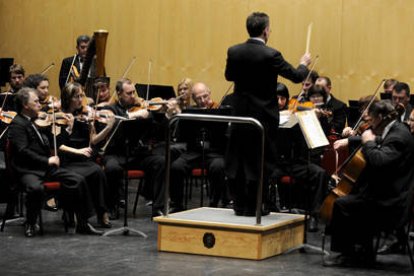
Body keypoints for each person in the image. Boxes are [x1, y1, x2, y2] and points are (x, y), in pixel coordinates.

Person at [224, 12, 311, 216]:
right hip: (263, 118)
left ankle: (239, 205)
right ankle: (256, 206)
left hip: (240, 116)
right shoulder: (271, 55)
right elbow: (297, 76)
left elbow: (229, 76)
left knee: (239, 160)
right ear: (265, 31)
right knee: (260, 162)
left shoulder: (234, 51)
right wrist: (304, 63)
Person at [324, 100, 414, 267]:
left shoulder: (398, 136)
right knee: (355, 195)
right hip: (387, 193)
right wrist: (356, 140)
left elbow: (379, 160)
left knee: (343, 204)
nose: (370, 125)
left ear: (380, 117)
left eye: (371, 120)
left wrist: (368, 142)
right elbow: (379, 139)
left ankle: (349, 254)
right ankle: (362, 251)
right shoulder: (394, 129)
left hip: (391, 202)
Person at [8, 87, 102, 237]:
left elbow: (49, 144)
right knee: (35, 189)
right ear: (25, 105)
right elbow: (23, 151)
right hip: (28, 170)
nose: (40, 104)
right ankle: (31, 223)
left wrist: (60, 138)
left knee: (77, 180)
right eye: (36, 101)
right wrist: (48, 159)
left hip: (45, 168)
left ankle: (83, 223)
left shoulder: (34, 121)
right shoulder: (18, 124)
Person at [98, 78, 166, 217]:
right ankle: (112, 206)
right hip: (115, 153)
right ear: (119, 93)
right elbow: (115, 121)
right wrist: (132, 115)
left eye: (134, 92)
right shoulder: (109, 108)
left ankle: (158, 207)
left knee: (160, 161)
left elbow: (158, 131)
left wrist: (162, 115)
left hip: (136, 154)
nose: (133, 96)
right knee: (111, 168)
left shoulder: (142, 108)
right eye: (129, 93)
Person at [58, 82, 112, 228]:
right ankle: (83, 217)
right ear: (68, 98)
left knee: (98, 172)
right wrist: (69, 128)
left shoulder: (86, 114)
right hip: (67, 161)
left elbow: (94, 140)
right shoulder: (60, 116)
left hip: (83, 160)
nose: (81, 99)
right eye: (77, 96)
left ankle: (102, 213)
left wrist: (108, 127)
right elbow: (57, 145)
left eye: (82, 95)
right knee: (89, 173)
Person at [170, 82, 228, 210]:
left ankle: (214, 203)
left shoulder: (220, 110)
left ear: (210, 93)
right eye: (198, 98)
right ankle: (177, 204)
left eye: (205, 96)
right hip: (194, 152)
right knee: (176, 166)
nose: (203, 101)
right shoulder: (191, 112)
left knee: (218, 167)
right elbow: (181, 135)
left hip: (214, 152)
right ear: (194, 98)